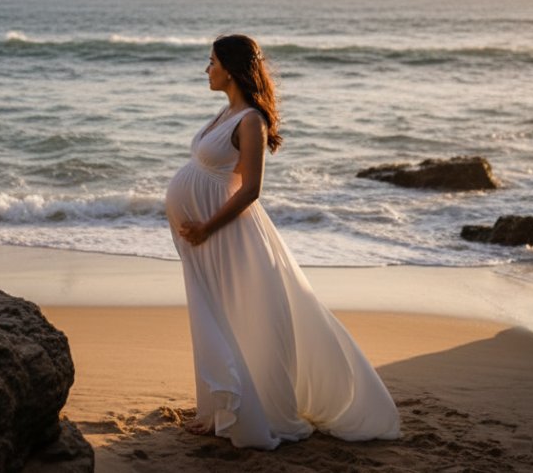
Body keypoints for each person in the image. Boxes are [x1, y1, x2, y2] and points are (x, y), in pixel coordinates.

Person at [164, 34, 401, 450]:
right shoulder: (225, 113)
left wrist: (207, 227)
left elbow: (251, 189)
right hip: (207, 238)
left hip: (227, 236)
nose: (207, 69)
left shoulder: (250, 121)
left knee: (237, 317)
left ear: (232, 68)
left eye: (212, 61)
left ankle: (252, 413)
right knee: (212, 315)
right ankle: (219, 409)